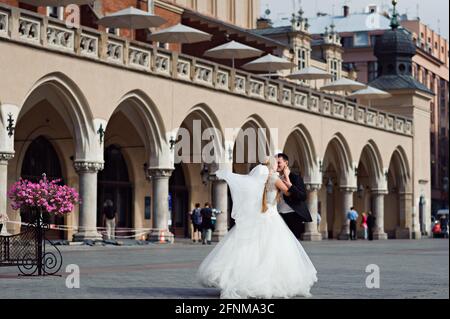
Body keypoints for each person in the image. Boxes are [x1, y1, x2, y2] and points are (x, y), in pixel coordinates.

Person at [197, 156, 317, 299]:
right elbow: (290, 192)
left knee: (250, 250)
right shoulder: (274, 179)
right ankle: (266, 282)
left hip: (258, 217)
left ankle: (240, 279)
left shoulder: (258, 180)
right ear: (272, 166)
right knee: (271, 252)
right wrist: (286, 177)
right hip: (271, 218)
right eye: (275, 163)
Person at [275, 153, 312, 238]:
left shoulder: (295, 177)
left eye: (279, 162)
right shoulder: (274, 178)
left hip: (293, 215)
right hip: (278, 215)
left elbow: (302, 196)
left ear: (286, 163)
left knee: (292, 243)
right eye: (275, 163)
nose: (276, 165)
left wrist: (290, 186)